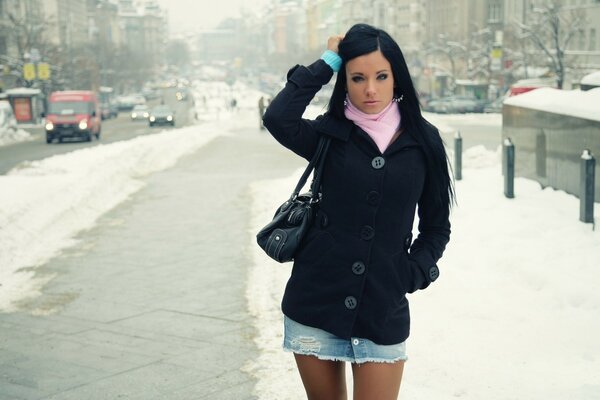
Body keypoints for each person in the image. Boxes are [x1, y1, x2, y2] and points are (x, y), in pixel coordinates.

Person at [262, 23, 453, 399]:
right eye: (357, 77)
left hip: (383, 305)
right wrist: (328, 60)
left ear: (396, 77)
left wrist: (411, 273)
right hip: (316, 299)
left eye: (381, 76)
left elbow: (436, 227)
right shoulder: (330, 134)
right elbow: (278, 118)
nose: (370, 89)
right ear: (344, 80)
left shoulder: (423, 140)